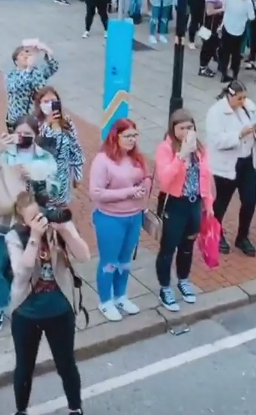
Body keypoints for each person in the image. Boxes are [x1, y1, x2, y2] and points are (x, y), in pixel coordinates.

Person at [7, 191, 89, 415]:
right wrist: (34, 237)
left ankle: (75, 408)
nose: (41, 220)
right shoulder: (15, 237)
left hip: (60, 310)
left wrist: (65, 232)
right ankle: (21, 410)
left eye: (41, 215)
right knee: (24, 367)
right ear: (23, 220)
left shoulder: (58, 226)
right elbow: (21, 275)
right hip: (26, 312)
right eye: (33, 218)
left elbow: (84, 256)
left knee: (66, 364)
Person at [0, 117, 58, 333]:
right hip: (0, 222)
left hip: (28, 224)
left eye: (28, 135)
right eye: (19, 134)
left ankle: (22, 305)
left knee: (27, 266)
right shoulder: (3, 151)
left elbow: (52, 192)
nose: (23, 139)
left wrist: (36, 178)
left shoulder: (44, 157)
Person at [89, 119, 150, 322]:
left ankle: (121, 296)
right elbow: (96, 193)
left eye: (135, 135)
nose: (132, 140)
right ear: (116, 136)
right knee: (110, 261)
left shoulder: (136, 158)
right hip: (110, 218)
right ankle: (105, 301)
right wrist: (129, 191)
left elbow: (145, 177)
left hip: (134, 216)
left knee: (125, 261)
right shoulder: (102, 160)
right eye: (127, 136)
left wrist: (145, 184)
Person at [154, 109, 214, 312]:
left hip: (193, 202)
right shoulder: (166, 148)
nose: (186, 131)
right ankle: (164, 287)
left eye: (190, 127)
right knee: (168, 247)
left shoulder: (200, 149)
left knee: (188, 245)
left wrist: (208, 203)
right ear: (173, 129)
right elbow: (165, 179)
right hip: (174, 203)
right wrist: (180, 156)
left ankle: (183, 279)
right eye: (181, 128)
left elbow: (205, 177)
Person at [206, 81, 256, 257]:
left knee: (250, 201)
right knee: (222, 201)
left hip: (247, 161)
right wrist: (239, 134)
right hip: (228, 163)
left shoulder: (248, 107)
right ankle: (216, 233)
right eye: (239, 98)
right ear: (229, 96)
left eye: (245, 97)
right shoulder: (216, 112)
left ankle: (242, 236)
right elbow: (217, 141)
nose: (243, 101)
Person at [34, 87, 85, 207]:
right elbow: (42, 150)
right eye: (46, 102)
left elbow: (75, 148)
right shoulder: (36, 124)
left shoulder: (66, 122)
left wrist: (78, 175)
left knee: (61, 208)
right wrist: (48, 125)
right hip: (44, 179)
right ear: (39, 105)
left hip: (63, 178)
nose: (50, 105)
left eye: (53, 101)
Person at [5, 41, 58, 132]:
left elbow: (53, 67)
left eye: (28, 54)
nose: (26, 57)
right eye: (21, 55)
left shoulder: (37, 71)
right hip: (18, 119)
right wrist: (28, 69)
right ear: (16, 61)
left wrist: (46, 51)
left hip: (37, 116)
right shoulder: (11, 76)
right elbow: (17, 86)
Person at [219, 0, 255, 83]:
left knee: (226, 52)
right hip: (239, 30)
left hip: (228, 27)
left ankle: (224, 73)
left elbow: (224, 10)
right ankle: (234, 74)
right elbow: (251, 17)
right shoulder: (248, 2)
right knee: (236, 54)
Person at [198, 0, 225, 78]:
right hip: (210, 26)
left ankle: (205, 66)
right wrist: (222, 9)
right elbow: (209, 11)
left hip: (216, 26)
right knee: (207, 47)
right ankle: (202, 67)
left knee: (212, 46)